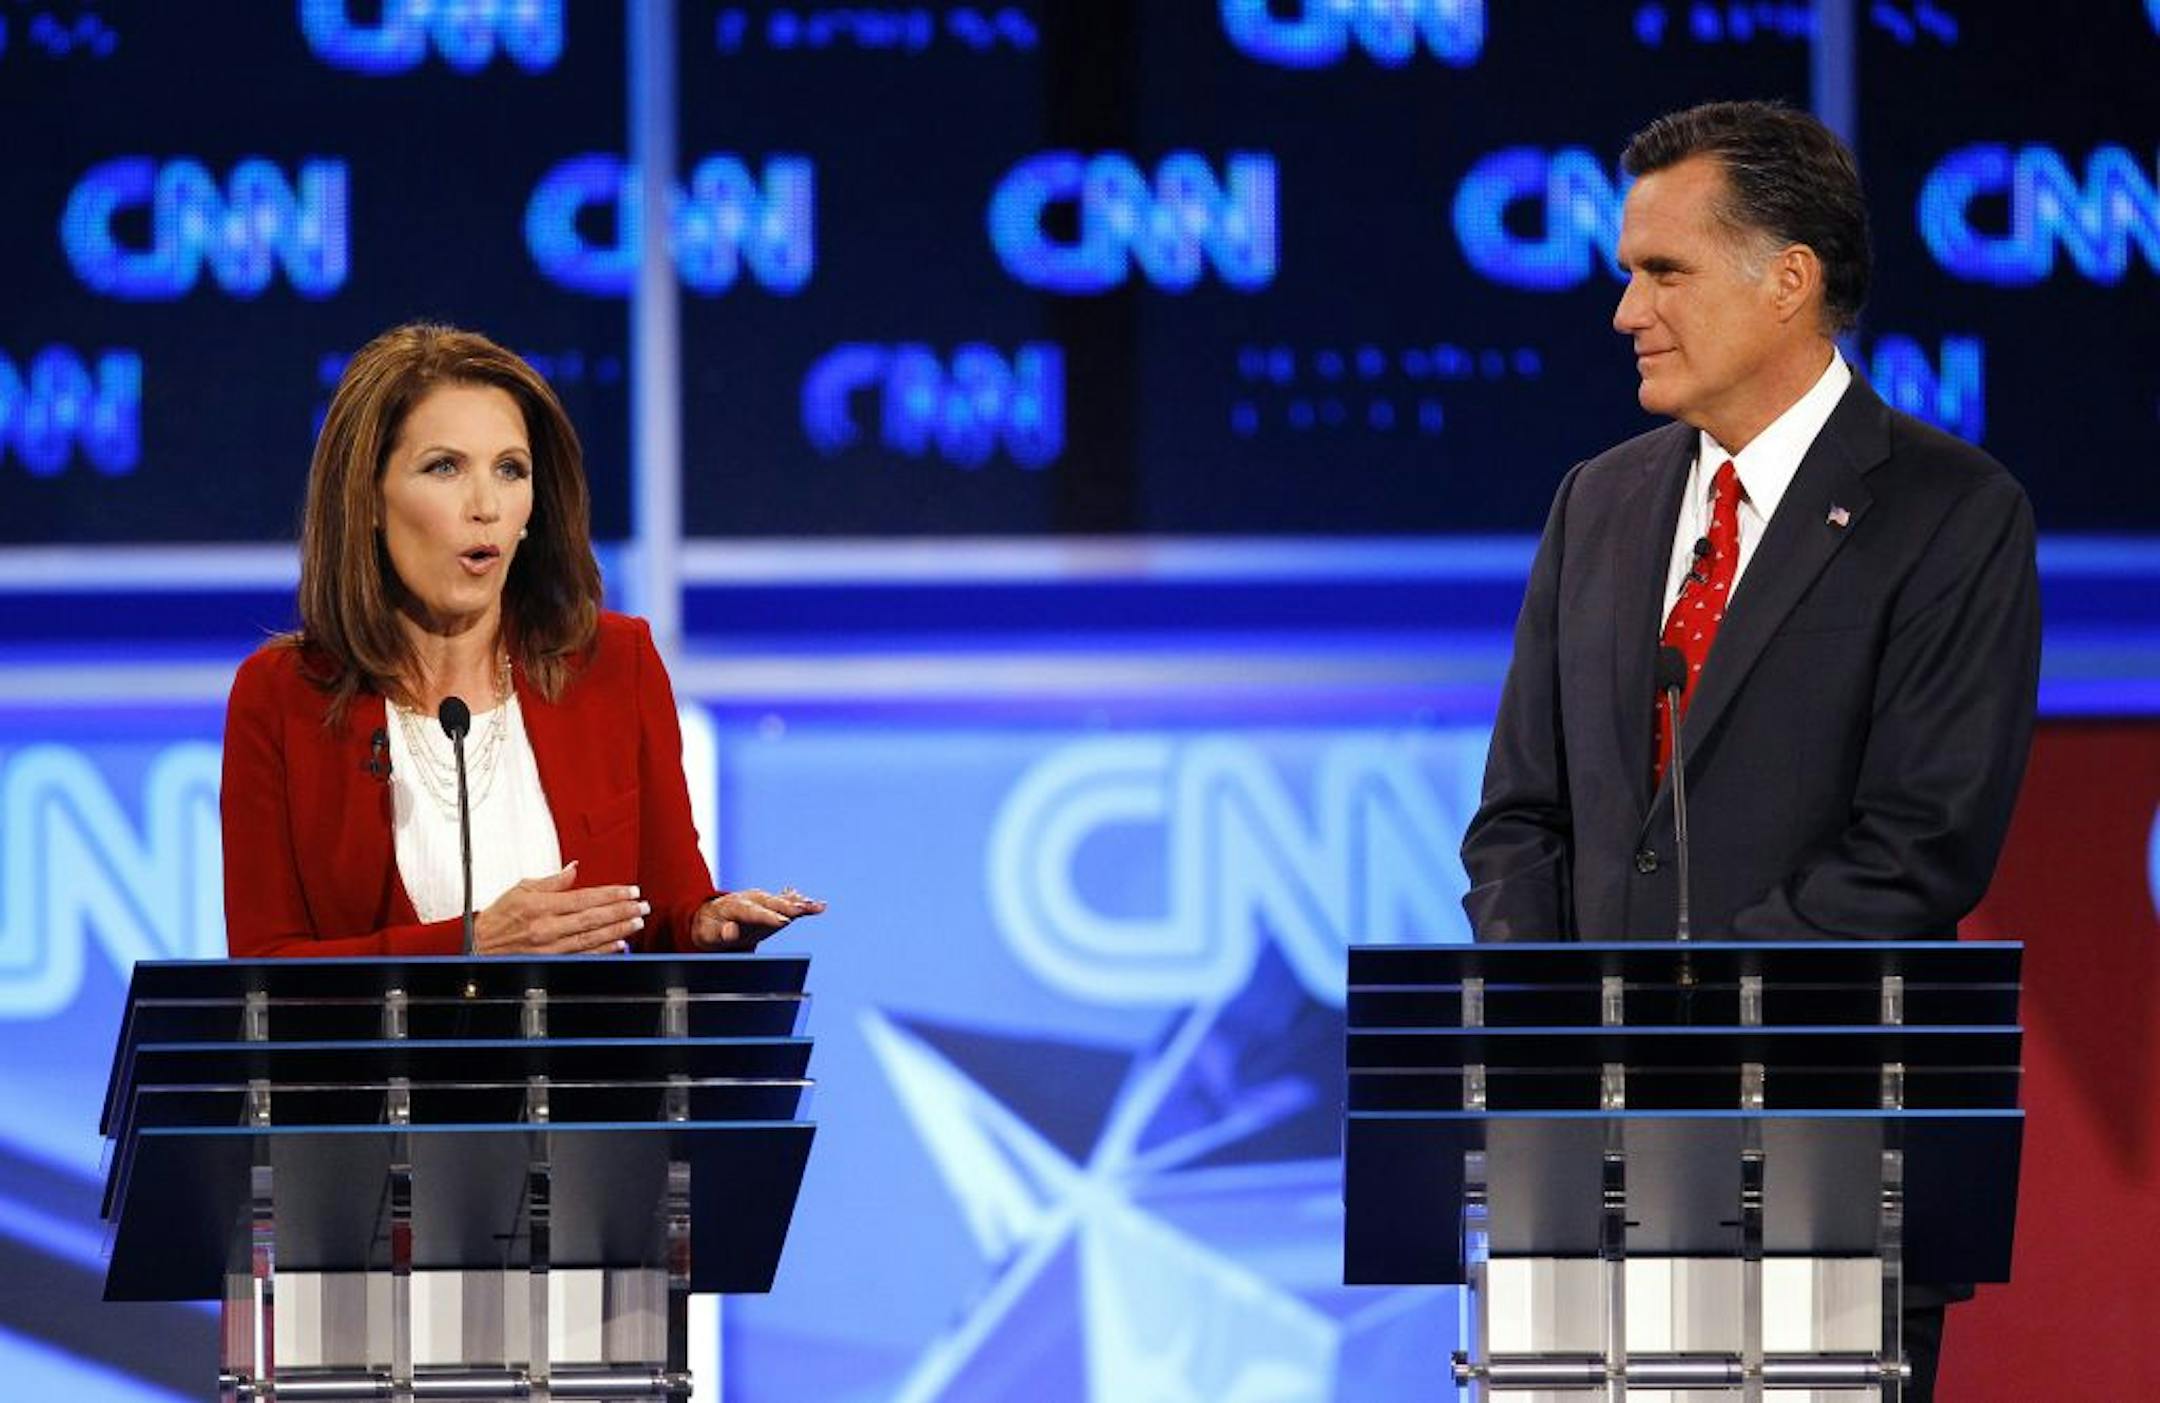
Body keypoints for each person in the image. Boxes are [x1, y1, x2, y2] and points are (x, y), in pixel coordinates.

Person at [1458, 102, 2041, 1399]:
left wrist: (1673, 1011)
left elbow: (1918, 845)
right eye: (1627, 273)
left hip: (1819, 1153)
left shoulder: (1949, 514)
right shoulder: (1598, 502)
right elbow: (1519, 816)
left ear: (1790, 281)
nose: (1626, 310)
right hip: (1584, 1178)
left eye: (1663, 271)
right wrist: (1555, 1026)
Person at [222, 322, 823, 958]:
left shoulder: (616, 666)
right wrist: (472, 947)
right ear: (367, 497)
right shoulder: (283, 697)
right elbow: (266, 973)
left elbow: (664, 910)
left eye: (511, 470)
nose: (485, 504)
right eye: (445, 467)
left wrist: (706, 923)